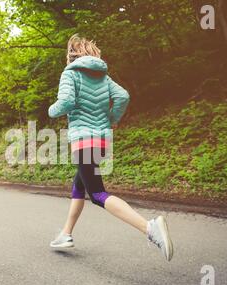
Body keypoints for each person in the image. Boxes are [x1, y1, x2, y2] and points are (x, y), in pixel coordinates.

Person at [48, 34, 174, 261]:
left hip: (83, 140)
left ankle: (149, 227)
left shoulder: (70, 73)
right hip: (101, 141)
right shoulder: (103, 77)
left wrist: (51, 110)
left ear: (71, 55)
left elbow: (65, 102)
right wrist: (112, 119)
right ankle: (66, 234)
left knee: (97, 193)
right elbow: (123, 96)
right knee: (79, 184)